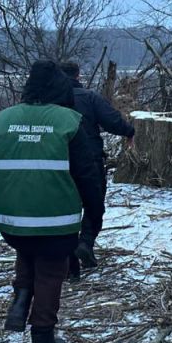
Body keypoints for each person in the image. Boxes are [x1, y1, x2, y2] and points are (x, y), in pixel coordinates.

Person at [0, 60, 103, 343]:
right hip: (56, 221)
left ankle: (20, 299)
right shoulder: (69, 121)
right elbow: (88, 175)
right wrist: (93, 220)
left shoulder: (3, 119)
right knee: (50, 270)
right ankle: (43, 341)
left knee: (30, 246)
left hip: (11, 221)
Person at [59, 61, 135, 275]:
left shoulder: (50, 101)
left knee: (65, 208)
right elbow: (112, 121)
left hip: (58, 162)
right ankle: (86, 242)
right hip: (89, 160)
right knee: (94, 204)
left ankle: (70, 259)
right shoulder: (89, 97)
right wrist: (129, 131)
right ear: (78, 75)